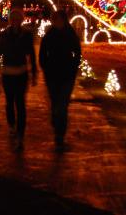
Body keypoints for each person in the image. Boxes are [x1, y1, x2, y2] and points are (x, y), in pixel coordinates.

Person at [0, 9, 37, 150]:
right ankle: (12, 125)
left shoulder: (26, 35)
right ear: (10, 20)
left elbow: (31, 53)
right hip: (7, 73)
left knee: (20, 103)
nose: (15, 21)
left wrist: (34, 72)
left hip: (21, 72)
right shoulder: (4, 35)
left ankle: (20, 132)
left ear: (21, 20)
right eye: (13, 19)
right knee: (9, 102)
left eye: (18, 19)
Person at [39, 10, 81, 151]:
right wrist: (46, 67)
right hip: (52, 75)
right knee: (55, 103)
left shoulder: (70, 34)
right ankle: (56, 125)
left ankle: (60, 134)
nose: (55, 22)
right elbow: (42, 53)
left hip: (67, 75)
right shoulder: (49, 35)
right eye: (53, 20)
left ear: (63, 20)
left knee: (62, 105)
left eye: (57, 19)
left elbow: (77, 52)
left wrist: (73, 67)